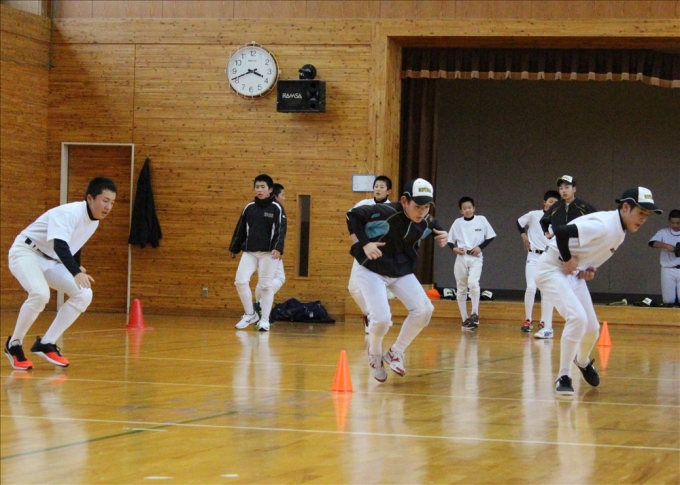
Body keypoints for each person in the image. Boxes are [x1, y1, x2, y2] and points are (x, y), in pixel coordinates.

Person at [535, 187, 662, 396]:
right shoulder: (603, 225)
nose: (643, 219)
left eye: (647, 215)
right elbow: (562, 232)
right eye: (641, 213)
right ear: (626, 207)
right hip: (551, 268)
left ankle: (582, 361)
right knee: (577, 318)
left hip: (572, 273)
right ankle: (564, 376)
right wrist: (567, 259)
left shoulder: (619, 231)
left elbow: (587, 255)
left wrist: (587, 268)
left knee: (592, 329)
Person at [4, 177, 117, 370]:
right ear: (90, 198)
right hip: (26, 252)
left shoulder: (93, 221)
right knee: (40, 294)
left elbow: (74, 245)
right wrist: (75, 271)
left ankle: (46, 343)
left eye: (112, 202)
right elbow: (60, 245)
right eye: (105, 200)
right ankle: (14, 345)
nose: (108, 206)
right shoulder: (69, 213)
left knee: (84, 294)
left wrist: (77, 266)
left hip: (51, 260)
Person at [346, 178, 448, 382]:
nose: (422, 211)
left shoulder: (425, 219)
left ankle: (396, 352)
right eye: (418, 206)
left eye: (426, 206)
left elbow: (434, 224)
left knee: (424, 311)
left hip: (400, 270)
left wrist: (444, 234)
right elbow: (352, 215)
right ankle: (375, 353)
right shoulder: (386, 211)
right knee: (382, 319)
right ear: (404, 201)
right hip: (371, 269)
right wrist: (365, 243)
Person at [229, 174, 286, 332]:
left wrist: (278, 247)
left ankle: (265, 320)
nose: (259, 190)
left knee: (266, 286)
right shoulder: (249, 207)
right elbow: (240, 229)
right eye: (257, 187)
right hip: (250, 251)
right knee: (240, 281)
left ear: (270, 190)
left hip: (269, 253)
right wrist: (234, 247)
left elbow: (281, 230)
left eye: (263, 187)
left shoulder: (276, 208)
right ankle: (250, 314)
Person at [347, 175, 392, 334]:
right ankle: (369, 314)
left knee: (380, 288)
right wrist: (355, 239)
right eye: (376, 186)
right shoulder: (363, 204)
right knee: (353, 288)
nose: (378, 189)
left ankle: (380, 317)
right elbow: (349, 218)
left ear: (388, 191)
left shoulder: (391, 208)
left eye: (381, 187)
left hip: (381, 253)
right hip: (363, 251)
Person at [447, 196, 496, 330]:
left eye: (469, 207)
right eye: (464, 208)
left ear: (474, 208)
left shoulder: (481, 220)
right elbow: (450, 240)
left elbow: (490, 236)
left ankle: (475, 313)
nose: (467, 210)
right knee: (461, 287)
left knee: (473, 283)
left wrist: (480, 247)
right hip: (461, 257)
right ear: (461, 211)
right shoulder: (457, 222)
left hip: (476, 257)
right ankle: (464, 318)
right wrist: (454, 249)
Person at [517, 190, 560, 338]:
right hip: (534, 255)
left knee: (547, 291)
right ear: (544, 202)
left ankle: (544, 322)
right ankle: (528, 319)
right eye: (550, 201)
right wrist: (523, 235)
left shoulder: (559, 219)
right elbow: (519, 222)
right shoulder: (534, 215)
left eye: (555, 202)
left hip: (549, 257)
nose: (552, 204)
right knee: (531, 287)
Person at [253, 183, 287, 319]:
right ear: (275, 196)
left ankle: (258, 311)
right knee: (278, 278)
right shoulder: (275, 209)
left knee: (263, 281)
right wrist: (277, 248)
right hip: (270, 251)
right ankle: (260, 305)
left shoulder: (260, 208)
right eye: (282, 195)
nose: (284, 198)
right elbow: (278, 232)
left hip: (262, 249)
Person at [648, 209, 680, 307]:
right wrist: (666, 246)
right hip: (668, 268)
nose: (675, 225)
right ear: (669, 221)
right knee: (668, 300)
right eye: (673, 223)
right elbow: (652, 243)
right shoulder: (664, 232)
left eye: (678, 223)